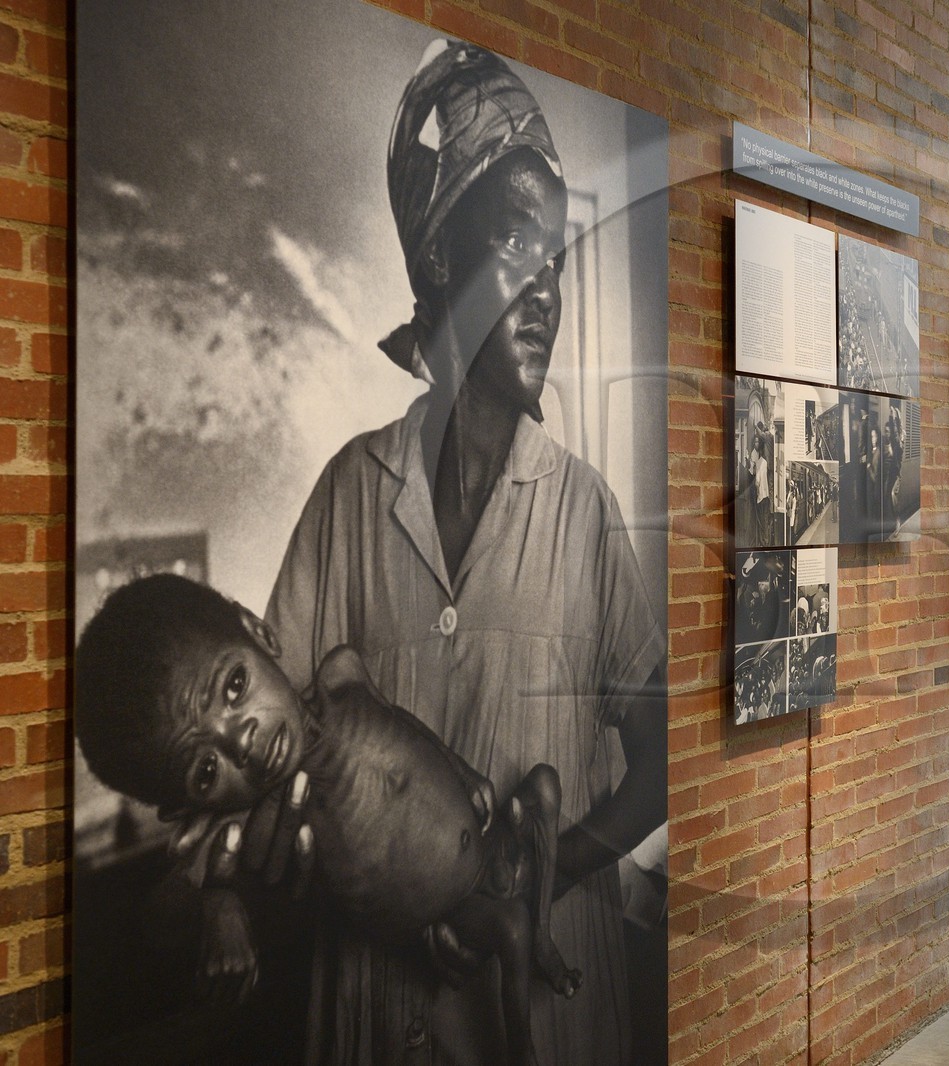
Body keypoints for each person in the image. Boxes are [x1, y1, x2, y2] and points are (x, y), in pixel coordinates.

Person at [256, 40, 665, 1066]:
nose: (548, 293)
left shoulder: (580, 511)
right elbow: (270, 749)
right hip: (369, 1018)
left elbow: (659, 768)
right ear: (441, 260)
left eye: (560, 262)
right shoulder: (352, 497)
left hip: (544, 1010)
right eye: (520, 247)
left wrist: (529, 880)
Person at [74, 574, 579, 1065]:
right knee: (512, 926)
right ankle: (522, 1052)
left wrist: (464, 772)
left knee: (546, 785)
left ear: (259, 633)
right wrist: (222, 908)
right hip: (459, 912)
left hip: (494, 842)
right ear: (185, 809)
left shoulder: (342, 674)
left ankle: (547, 939)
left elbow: (402, 724)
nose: (240, 741)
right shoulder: (259, 823)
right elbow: (174, 902)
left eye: (234, 686)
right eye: (206, 770)